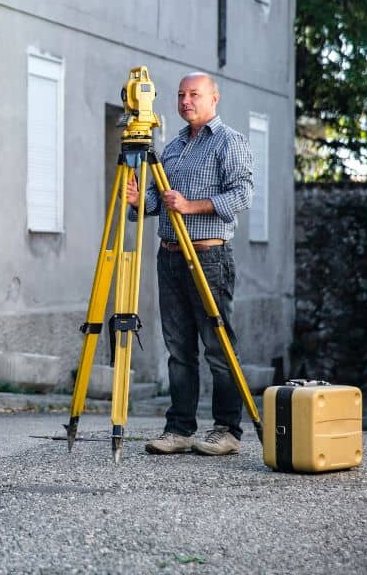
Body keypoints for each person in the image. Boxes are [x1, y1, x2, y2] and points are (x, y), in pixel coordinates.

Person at [126, 72, 254, 456]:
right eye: (181, 95)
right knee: (179, 350)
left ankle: (227, 430)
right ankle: (179, 429)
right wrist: (140, 202)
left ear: (214, 98)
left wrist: (190, 206)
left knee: (218, 347)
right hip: (169, 256)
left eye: (194, 94)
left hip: (208, 257)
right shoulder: (174, 145)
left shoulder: (229, 142)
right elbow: (159, 200)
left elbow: (242, 195)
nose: (186, 101)